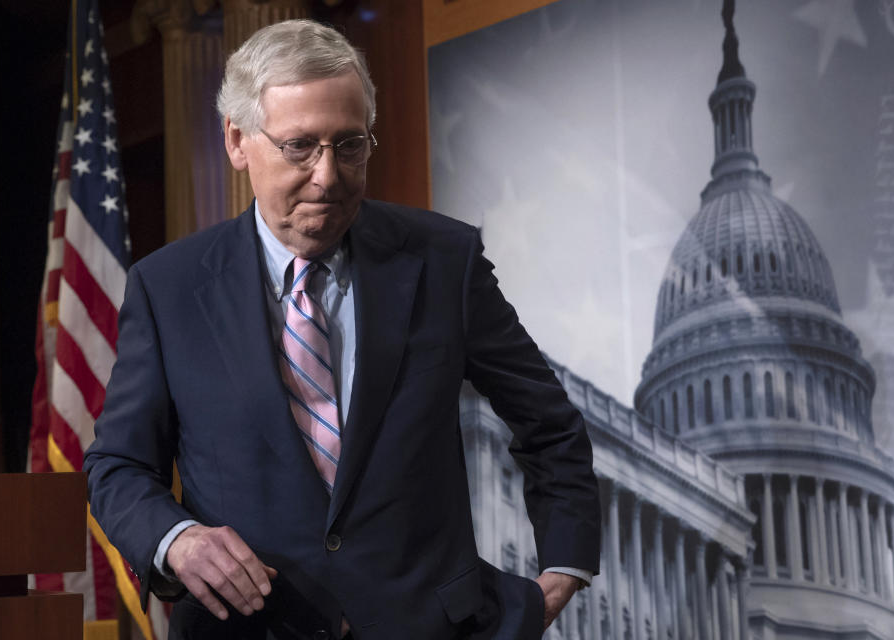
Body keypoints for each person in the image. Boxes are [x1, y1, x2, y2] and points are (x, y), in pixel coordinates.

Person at [84, 18, 600, 640]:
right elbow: (117, 466)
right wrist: (178, 541)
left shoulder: (445, 260)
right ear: (237, 140)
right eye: (300, 147)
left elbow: (550, 427)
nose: (328, 177)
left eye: (350, 145)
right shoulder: (166, 289)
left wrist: (561, 573)